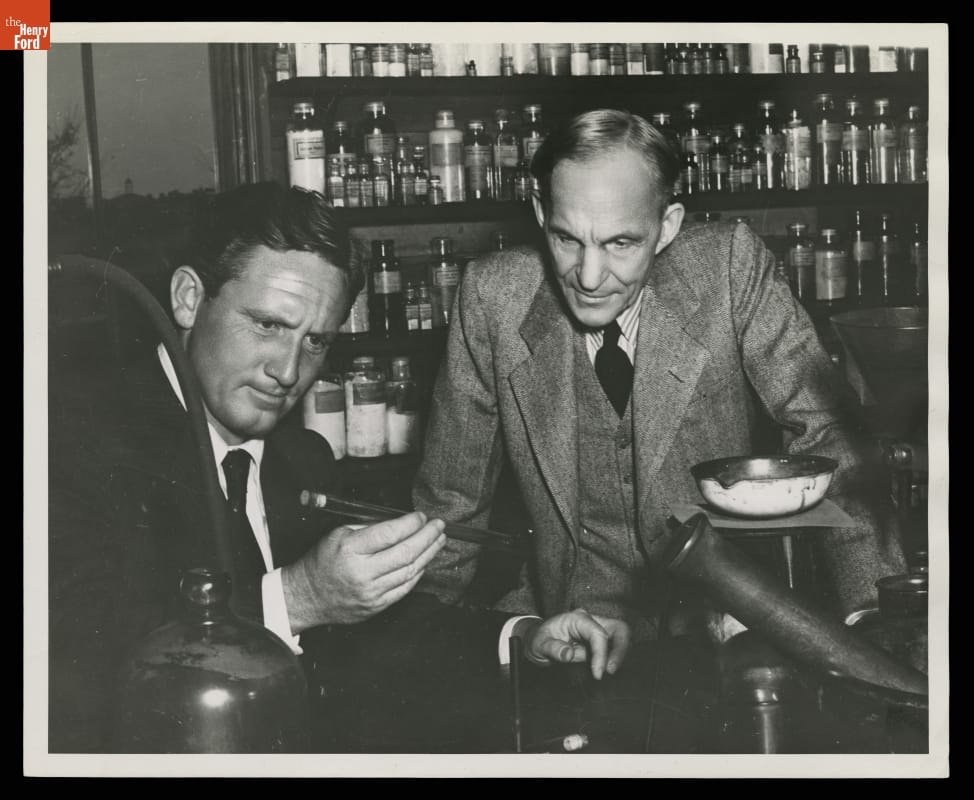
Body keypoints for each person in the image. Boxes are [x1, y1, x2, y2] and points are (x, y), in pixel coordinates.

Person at [412, 109, 906, 669]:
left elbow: (830, 430)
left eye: (620, 243)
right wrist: (418, 647)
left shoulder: (727, 267)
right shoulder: (492, 297)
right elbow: (451, 507)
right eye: (567, 238)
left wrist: (874, 617)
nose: (589, 277)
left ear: (667, 226)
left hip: (725, 629)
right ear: (540, 213)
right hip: (573, 632)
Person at [48, 183, 455, 752]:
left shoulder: (304, 458)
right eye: (268, 325)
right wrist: (297, 598)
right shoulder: (70, 442)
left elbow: (382, 641)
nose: (288, 371)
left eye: (315, 341)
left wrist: (523, 637)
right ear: (188, 299)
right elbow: (77, 659)